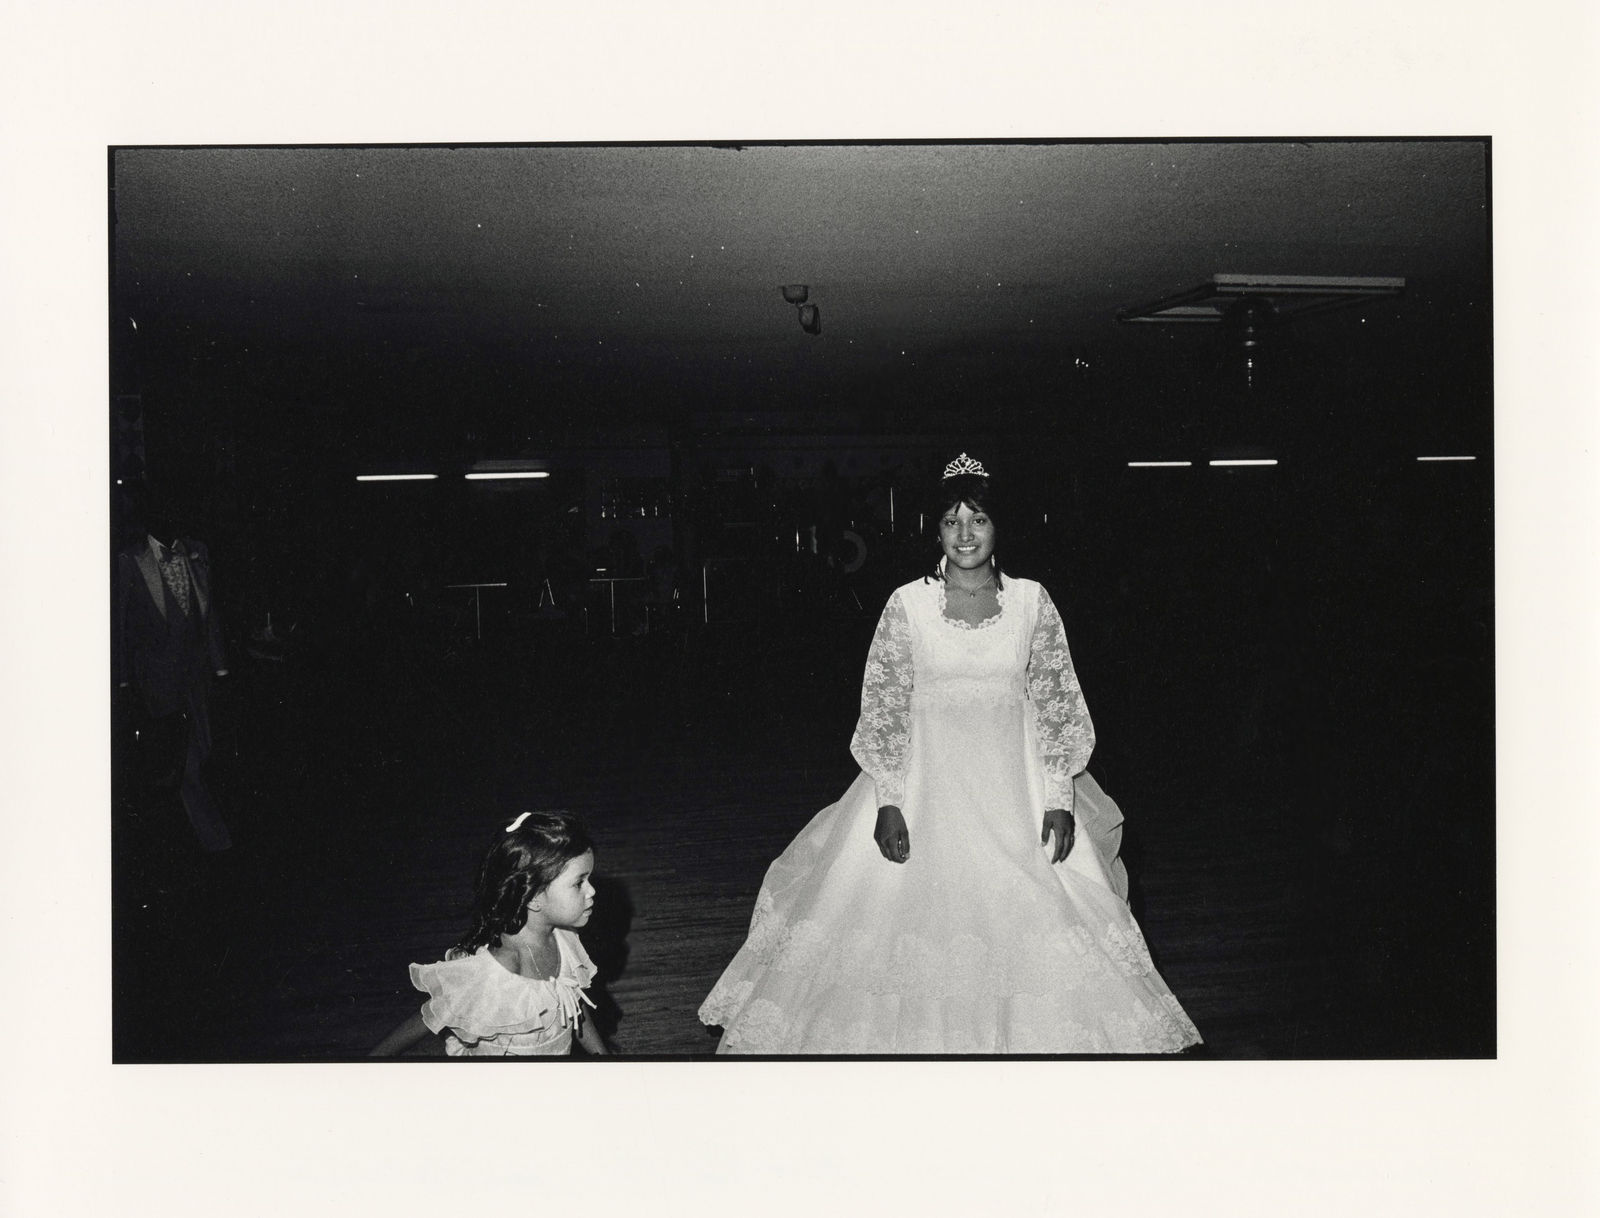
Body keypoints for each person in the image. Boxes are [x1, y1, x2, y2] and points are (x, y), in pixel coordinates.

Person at [699, 453, 1201, 1054]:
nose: (965, 534)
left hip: (1015, 797)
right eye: (952, 520)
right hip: (923, 795)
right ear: (934, 530)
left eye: (979, 519)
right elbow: (883, 711)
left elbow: (1058, 704)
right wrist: (887, 802)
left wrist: (1061, 799)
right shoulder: (905, 605)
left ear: (998, 528)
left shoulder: (1033, 603)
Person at [371, 811, 610, 1057]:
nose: (592, 891)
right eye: (579, 882)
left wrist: (603, 1057)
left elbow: (572, 1003)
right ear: (535, 897)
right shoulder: (494, 973)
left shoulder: (564, 938)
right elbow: (428, 1019)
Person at [113, 491, 233, 853]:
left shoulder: (197, 553)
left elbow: (208, 614)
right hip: (157, 682)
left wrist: (221, 667)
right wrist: (121, 681)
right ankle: (216, 842)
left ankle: (183, 837)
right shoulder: (131, 561)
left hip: (196, 678)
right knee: (185, 764)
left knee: (203, 751)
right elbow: (118, 626)